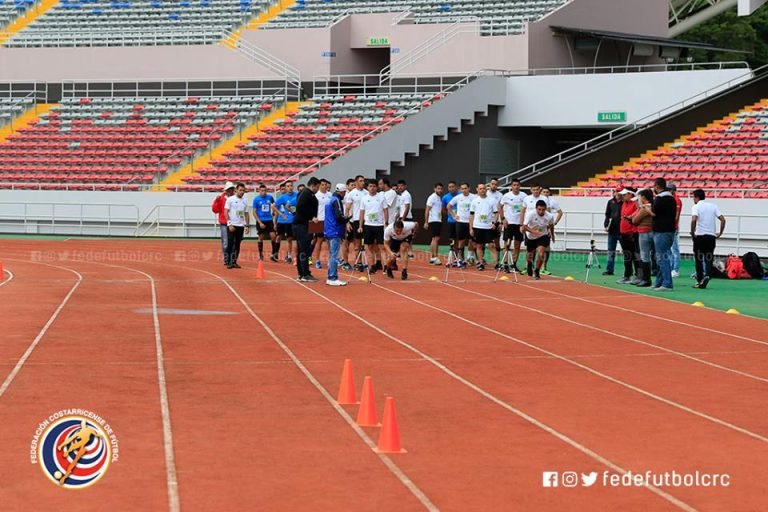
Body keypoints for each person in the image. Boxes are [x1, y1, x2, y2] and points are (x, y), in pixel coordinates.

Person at [691, 189, 726, 289]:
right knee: (708, 258)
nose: (693, 199)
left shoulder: (696, 207)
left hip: (700, 235)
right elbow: (723, 219)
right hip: (711, 236)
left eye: (693, 197)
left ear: (697, 197)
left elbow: (694, 219)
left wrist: (692, 232)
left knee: (698, 259)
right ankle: (707, 275)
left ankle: (699, 280)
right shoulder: (713, 206)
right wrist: (720, 233)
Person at [651, 177, 677, 291]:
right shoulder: (672, 198)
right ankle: (659, 282)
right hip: (669, 230)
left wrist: (644, 208)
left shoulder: (660, 198)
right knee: (662, 257)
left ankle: (667, 283)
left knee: (662, 258)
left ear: (657, 186)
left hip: (661, 231)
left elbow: (654, 213)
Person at [293, 177, 320, 282]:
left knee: (303, 250)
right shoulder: (306, 193)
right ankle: (304, 274)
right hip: (302, 226)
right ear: (313, 185)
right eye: (317, 187)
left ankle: (302, 273)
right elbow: (300, 207)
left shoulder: (307, 194)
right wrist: (311, 217)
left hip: (304, 225)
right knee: (304, 250)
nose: (317, 189)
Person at [358, 179, 388, 274]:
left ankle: (385, 267)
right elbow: (362, 212)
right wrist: (360, 226)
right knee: (368, 247)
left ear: (377, 187)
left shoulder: (381, 197)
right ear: (367, 187)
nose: (372, 188)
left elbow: (385, 210)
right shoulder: (364, 198)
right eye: (370, 186)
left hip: (379, 225)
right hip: (368, 225)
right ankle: (372, 266)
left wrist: (386, 223)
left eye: (374, 186)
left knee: (381, 247)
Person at [324, 184, 350, 286]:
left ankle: (331, 276)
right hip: (335, 229)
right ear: (341, 192)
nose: (344, 194)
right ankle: (332, 277)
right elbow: (339, 216)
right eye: (344, 192)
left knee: (332, 254)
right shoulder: (336, 200)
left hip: (329, 229)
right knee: (334, 255)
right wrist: (347, 219)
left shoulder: (330, 200)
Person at [522, 200, 555, 280]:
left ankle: (537, 270)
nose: (541, 211)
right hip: (530, 236)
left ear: (545, 209)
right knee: (529, 254)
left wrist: (552, 235)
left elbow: (551, 225)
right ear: (536, 208)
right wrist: (534, 232)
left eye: (543, 209)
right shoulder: (530, 214)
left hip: (543, 235)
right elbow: (524, 226)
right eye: (539, 209)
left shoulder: (549, 216)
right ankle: (529, 264)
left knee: (541, 254)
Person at [469, 183, 498, 271]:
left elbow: (496, 213)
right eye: (480, 188)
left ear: (486, 189)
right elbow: (471, 215)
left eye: (484, 188)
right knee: (479, 246)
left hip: (488, 227)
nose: (482, 190)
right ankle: (480, 263)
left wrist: (494, 223)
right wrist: (471, 228)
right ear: (477, 189)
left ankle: (496, 264)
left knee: (492, 245)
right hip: (477, 226)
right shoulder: (474, 201)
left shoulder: (492, 200)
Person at [499, 179, 527, 273]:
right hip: (509, 223)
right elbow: (500, 207)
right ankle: (505, 264)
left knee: (517, 245)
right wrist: (503, 219)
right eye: (514, 185)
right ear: (511, 186)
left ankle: (514, 264)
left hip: (519, 224)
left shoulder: (524, 196)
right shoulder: (506, 196)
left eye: (517, 185)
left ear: (520, 186)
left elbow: (527, 208)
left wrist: (524, 222)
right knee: (507, 244)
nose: (516, 187)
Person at [630, 188, 654, 287]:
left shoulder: (645, 208)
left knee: (644, 256)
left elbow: (635, 220)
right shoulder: (651, 206)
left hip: (644, 232)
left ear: (643, 197)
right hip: (650, 232)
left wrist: (637, 212)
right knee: (650, 255)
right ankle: (645, 278)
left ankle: (646, 279)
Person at [448, 182, 475, 267]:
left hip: (471, 222)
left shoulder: (474, 197)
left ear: (469, 188)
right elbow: (448, 206)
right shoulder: (458, 197)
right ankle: (460, 259)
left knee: (472, 241)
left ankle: (470, 257)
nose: (464, 190)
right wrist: (454, 216)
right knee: (461, 241)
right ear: (460, 189)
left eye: (465, 188)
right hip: (461, 222)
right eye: (462, 189)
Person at [224, 183, 249, 269]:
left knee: (237, 244)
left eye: (243, 190)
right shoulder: (230, 199)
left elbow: (246, 213)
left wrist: (247, 225)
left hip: (240, 225)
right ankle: (228, 261)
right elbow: (226, 211)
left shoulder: (245, 200)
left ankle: (234, 261)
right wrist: (229, 224)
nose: (242, 192)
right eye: (240, 190)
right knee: (230, 244)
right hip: (232, 225)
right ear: (236, 190)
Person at [617, 188, 639, 284]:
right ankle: (627, 275)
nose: (623, 196)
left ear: (630, 194)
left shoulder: (635, 204)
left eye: (624, 194)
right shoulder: (624, 204)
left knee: (634, 256)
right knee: (627, 256)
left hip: (631, 233)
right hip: (623, 233)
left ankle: (637, 275)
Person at [344, 175, 367, 269]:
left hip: (367, 220)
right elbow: (347, 209)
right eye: (361, 181)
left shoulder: (367, 193)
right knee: (356, 243)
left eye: (363, 181)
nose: (363, 182)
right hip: (356, 220)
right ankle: (358, 262)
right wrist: (347, 222)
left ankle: (369, 262)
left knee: (366, 244)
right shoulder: (351, 194)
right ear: (356, 182)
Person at [540, 186, 563, 275]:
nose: (545, 193)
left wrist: (555, 222)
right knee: (534, 247)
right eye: (544, 192)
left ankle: (544, 267)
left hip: (547, 227)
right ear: (541, 192)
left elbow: (560, 212)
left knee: (546, 247)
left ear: (549, 193)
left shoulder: (552, 201)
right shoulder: (537, 200)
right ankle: (532, 266)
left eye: (547, 192)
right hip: (537, 226)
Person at [273, 181, 297, 264]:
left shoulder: (296, 195)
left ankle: (289, 256)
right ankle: (275, 253)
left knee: (289, 239)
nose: (290, 187)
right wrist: (280, 213)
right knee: (278, 237)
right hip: (281, 220)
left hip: (291, 220)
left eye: (291, 186)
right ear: (286, 188)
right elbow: (273, 206)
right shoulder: (282, 197)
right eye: (288, 186)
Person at [212, 181, 235, 265]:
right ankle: (226, 259)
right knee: (225, 242)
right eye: (229, 189)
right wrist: (216, 201)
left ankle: (232, 259)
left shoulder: (235, 198)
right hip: (224, 223)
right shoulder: (221, 198)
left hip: (234, 222)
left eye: (231, 189)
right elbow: (215, 210)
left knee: (234, 242)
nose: (230, 191)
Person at [252, 183, 277, 261]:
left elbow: (274, 206)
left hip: (269, 220)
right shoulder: (256, 199)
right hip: (261, 220)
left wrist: (274, 212)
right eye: (262, 191)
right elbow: (254, 212)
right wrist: (260, 222)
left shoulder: (270, 197)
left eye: (265, 190)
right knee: (261, 237)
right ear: (259, 191)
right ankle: (260, 255)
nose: (264, 192)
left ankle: (273, 254)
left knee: (273, 236)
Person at [311, 179, 332, 269]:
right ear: (319, 185)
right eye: (322, 184)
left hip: (329, 221)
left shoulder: (330, 195)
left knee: (329, 241)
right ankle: (317, 260)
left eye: (325, 184)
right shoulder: (316, 196)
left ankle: (330, 260)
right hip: (319, 221)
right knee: (318, 240)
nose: (324, 186)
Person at [603, 187, 623, 276]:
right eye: (617, 191)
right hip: (612, 229)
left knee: (627, 251)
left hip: (622, 230)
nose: (618, 193)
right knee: (611, 250)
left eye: (619, 191)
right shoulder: (610, 202)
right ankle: (609, 269)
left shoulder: (624, 202)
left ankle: (629, 270)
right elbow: (607, 215)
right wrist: (606, 225)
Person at [424, 182, 444, 265]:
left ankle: (433, 257)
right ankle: (434, 257)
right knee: (435, 238)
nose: (440, 190)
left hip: (438, 220)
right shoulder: (432, 197)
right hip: (433, 220)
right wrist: (426, 222)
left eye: (441, 189)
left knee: (435, 239)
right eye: (438, 188)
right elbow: (427, 210)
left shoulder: (439, 198)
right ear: (434, 189)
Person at [669, 183, 683, 278]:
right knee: (671, 249)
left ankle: (675, 269)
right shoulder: (671, 199)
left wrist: (672, 225)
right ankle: (671, 268)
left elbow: (676, 215)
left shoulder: (676, 200)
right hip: (670, 227)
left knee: (674, 249)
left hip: (673, 227)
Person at [442, 181, 458, 250]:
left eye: (453, 187)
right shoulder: (445, 197)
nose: (451, 188)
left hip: (460, 221)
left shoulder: (460, 195)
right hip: (451, 221)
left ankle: (460, 253)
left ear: (456, 187)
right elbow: (443, 209)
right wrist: (450, 215)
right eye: (449, 187)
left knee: (460, 238)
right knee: (452, 238)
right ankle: (453, 251)